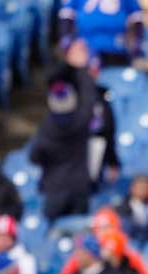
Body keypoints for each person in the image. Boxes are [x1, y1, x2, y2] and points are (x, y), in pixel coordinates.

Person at [29, 67, 97, 221]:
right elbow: (89, 97)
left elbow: (34, 157)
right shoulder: (82, 119)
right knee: (79, 235)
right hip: (79, 186)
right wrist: (81, 70)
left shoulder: (47, 127)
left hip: (55, 188)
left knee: (53, 237)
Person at [57, 0, 145, 66]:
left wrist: (135, 43)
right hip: (86, 51)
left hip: (117, 51)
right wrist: (69, 45)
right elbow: (66, 17)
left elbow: (136, 19)